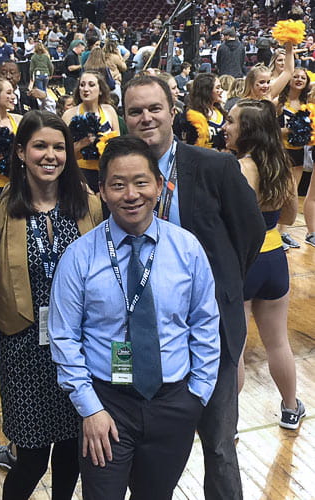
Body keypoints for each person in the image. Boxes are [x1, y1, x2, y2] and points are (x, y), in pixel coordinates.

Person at [48, 134, 221, 499]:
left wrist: (197, 395)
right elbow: (63, 336)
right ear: (102, 191)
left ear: (159, 185)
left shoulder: (187, 249)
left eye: (141, 182)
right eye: (118, 185)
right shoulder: (79, 257)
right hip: (106, 406)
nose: (131, 195)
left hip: (174, 401)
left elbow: (205, 322)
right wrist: (89, 408)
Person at [122, 75, 265, 499]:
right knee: (147, 448)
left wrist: (218, 285)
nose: (146, 117)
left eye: (154, 108)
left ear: (172, 111)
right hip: (146, 330)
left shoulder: (214, 166)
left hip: (210, 330)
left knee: (219, 447)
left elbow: (250, 233)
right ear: (126, 118)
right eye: (135, 111)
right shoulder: (121, 172)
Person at [0, 110, 103, 499]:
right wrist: (6, 320)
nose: (50, 155)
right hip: (23, 348)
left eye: (59, 146)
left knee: (71, 451)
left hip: (79, 350)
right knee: (30, 458)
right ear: (20, 152)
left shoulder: (89, 206)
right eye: (40, 146)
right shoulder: (0, 211)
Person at [223, 99, 305, 428]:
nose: (225, 128)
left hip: (243, 261)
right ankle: (289, 407)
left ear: (248, 131)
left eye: (231, 122)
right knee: (278, 342)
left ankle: (230, 421)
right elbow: (288, 216)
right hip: (274, 260)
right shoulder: (280, 163)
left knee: (236, 350)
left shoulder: (237, 168)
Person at [62, 70, 119, 191]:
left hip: (106, 173)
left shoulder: (109, 110)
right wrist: (82, 144)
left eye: (91, 85)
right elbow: (62, 151)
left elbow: (118, 146)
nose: (85, 89)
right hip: (79, 175)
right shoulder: (69, 115)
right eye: (82, 85)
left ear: (101, 90)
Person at [276, 67, 311, 249]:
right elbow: (268, 128)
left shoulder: (307, 102)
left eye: (302, 78)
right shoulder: (279, 102)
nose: (298, 80)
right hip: (280, 152)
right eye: (295, 76)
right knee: (279, 192)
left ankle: (283, 232)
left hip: (299, 152)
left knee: (292, 193)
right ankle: (273, 231)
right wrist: (288, 130)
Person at [181, 73, 226, 150]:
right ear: (206, 91)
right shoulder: (190, 116)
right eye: (217, 88)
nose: (221, 91)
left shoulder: (221, 113)